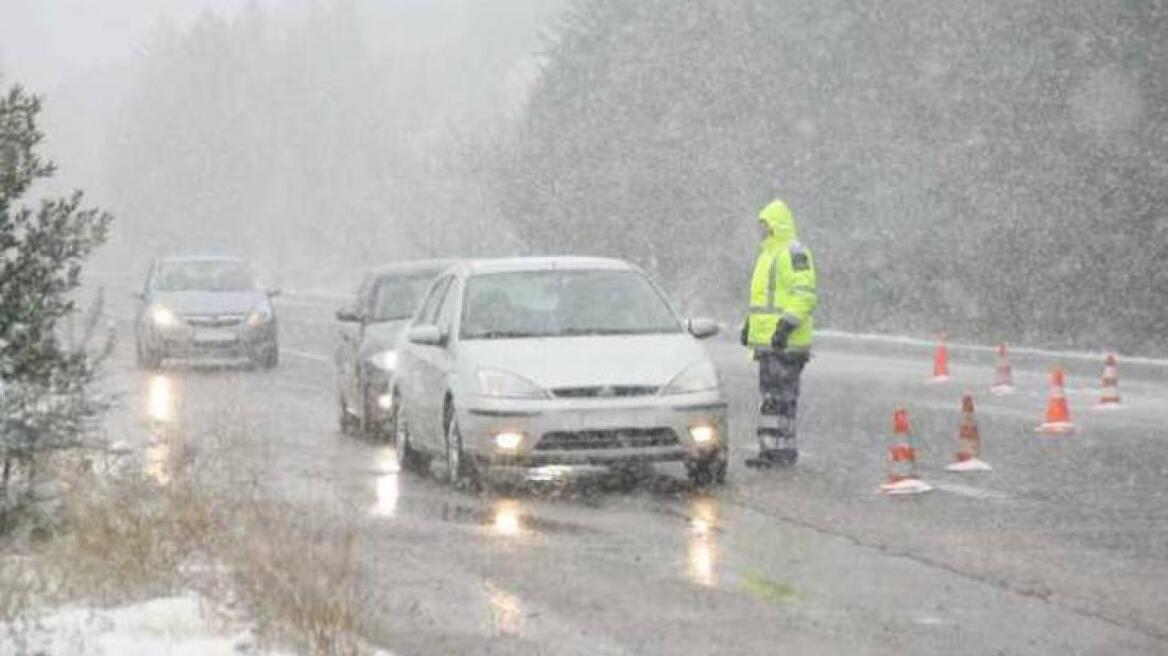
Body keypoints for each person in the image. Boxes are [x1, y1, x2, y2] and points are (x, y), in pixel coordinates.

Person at [740, 199, 818, 467]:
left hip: (787, 343)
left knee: (781, 399)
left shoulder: (794, 253)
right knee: (771, 399)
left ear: (776, 225)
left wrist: (786, 325)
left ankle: (781, 450)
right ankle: (770, 451)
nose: (761, 231)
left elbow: (805, 295)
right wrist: (750, 326)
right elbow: (762, 299)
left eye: (765, 226)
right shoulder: (767, 255)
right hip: (769, 344)